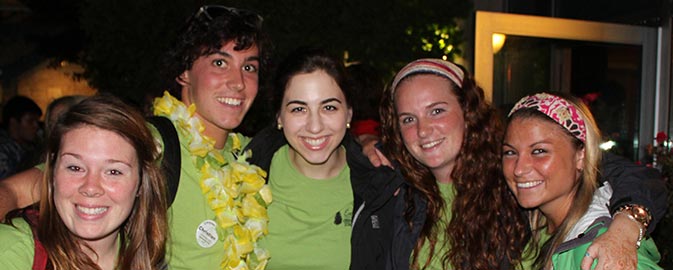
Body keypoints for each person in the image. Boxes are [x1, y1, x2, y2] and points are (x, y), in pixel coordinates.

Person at [0, 5, 272, 269]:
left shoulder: (248, 157)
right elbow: (16, 191)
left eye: (249, 68)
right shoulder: (151, 140)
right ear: (184, 72)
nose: (238, 82)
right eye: (220, 62)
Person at [378, 58, 668, 269]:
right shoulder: (394, 191)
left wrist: (627, 224)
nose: (423, 130)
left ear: (468, 111)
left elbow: (627, 173)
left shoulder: (509, 182)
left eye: (437, 110)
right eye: (408, 119)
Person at [246, 47, 422, 269]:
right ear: (279, 116)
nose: (315, 126)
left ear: (348, 113)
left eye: (328, 107)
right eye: (299, 109)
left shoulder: (381, 184)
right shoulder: (244, 171)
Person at [0, 95, 168, 269]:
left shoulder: (148, 258)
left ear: (141, 183)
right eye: (75, 168)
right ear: (52, 172)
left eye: (113, 172)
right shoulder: (13, 250)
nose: (90, 187)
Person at [503, 92, 662, 269]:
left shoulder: (602, 248)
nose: (518, 169)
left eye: (539, 151)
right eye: (510, 152)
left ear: (581, 156)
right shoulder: (534, 229)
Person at [0, 95, 43, 179]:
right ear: (14, 123)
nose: (36, 126)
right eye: (30, 121)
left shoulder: (33, 146)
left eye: (37, 121)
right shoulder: (3, 150)